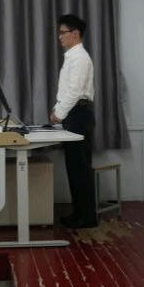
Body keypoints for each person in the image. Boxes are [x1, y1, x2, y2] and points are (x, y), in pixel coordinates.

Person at [50, 14, 97, 229]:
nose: (59, 37)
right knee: (74, 167)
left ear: (75, 33)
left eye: (63, 32)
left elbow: (75, 91)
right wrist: (59, 109)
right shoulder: (72, 56)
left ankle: (87, 218)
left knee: (81, 168)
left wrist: (58, 114)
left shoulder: (80, 58)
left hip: (79, 114)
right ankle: (78, 213)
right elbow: (67, 91)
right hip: (74, 113)